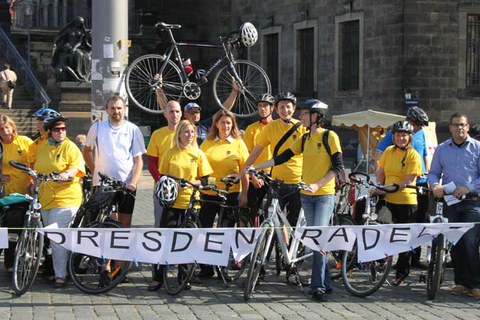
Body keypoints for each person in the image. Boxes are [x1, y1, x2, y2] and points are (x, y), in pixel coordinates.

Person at [248, 99, 343, 302]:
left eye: (304, 114)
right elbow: (282, 157)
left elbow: (337, 167)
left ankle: (317, 287)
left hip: (324, 195)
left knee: (317, 239)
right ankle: (325, 282)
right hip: (306, 197)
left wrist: (318, 184)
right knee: (316, 240)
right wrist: (257, 167)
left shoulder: (330, 136)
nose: (300, 117)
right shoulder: (305, 138)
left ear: (316, 116)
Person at [147, 120, 213, 291]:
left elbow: (205, 180)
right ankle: (158, 277)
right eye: (186, 132)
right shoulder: (170, 153)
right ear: (179, 134)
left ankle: (184, 277)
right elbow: (162, 175)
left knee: (186, 241)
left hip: (191, 202)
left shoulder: (198, 154)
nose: (189, 135)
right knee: (165, 239)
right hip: (171, 202)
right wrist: (172, 185)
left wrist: (192, 182)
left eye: (192, 132)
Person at [428, 113, 480, 297]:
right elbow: (433, 172)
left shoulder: (477, 148)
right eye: (456, 125)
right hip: (450, 201)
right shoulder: (442, 149)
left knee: (469, 243)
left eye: (462, 125)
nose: (459, 128)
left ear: (468, 126)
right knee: (455, 243)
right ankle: (461, 282)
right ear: (450, 127)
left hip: (473, 202)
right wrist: (435, 185)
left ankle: (475, 284)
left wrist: (469, 187)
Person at [375, 106, 431, 269]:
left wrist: (428, 175)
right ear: (410, 122)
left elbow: (425, 156)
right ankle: (390, 258)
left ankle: (414, 258)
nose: (419, 128)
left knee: (418, 223)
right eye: (417, 125)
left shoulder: (419, 133)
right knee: (394, 223)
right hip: (397, 186)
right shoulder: (397, 133)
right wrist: (382, 177)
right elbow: (379, 152)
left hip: (418, 184)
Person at [196, 109, 249, 279]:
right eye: (222, 122)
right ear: (216, 124)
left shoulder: (239, 143)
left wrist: (244, 194)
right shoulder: (207, 142)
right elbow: (199, 165)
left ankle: (222, 268)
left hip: (231, 193)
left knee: (225, 232)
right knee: (205, 230)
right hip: (209, 193)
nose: (225, 126)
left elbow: (245, 170)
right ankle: (206, 267)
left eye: (229, 123)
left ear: (233, 124)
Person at [34, 113, 86, 287]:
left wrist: (66, 174)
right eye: (57, 129)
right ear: (49, 132)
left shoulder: (70, 147)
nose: (61, 132)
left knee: (57, 238)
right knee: (51, 237)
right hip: (46, 199)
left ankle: (60, 275)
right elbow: (38, 168)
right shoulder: (43, 148)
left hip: (66, 199)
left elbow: (77, 167)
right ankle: (57, 269)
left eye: (63, 128)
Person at [242, 92, 306, 228]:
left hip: (298, 182)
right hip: (277, 182)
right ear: (276, 110)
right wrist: (246, 168)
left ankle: (293, 248)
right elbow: (257, 150)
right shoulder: (271, 127)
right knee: (271, 218)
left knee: (295, 222)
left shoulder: (301, 127)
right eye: (281, 107)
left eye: (288, 107)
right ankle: (274, 246)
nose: (285, 110)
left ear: (294, 109)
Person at [83, 95, 146, 228]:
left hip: (126, 183)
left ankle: (123, 248)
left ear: (124, 110)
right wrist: (95, 171)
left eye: (119, 108)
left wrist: (133, 183)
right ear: (107, 110)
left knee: (125, 222)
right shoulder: (97, 127)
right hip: (103, 184)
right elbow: (87, 150)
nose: (115, 111)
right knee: (106, 220)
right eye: (112, 108)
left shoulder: (133, 129)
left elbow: (138, 161)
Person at [376, 121, 422, 286]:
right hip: (388, 198)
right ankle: (382, 259)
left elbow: (409, 179)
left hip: (406, 200)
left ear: (409, 137)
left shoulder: (413, 155)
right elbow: (381, 172)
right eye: (397, 135)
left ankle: (401, 273)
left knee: (404, 237)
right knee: (382, 224)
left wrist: (394, 188)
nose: (401, 138)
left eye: (404, 135)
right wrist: (379, 186)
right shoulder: (388, 151)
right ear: (393, 137)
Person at [0, 115, 33, 272]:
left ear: (13, 127)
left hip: (23, 192)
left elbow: (34, 161)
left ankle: (20, 258)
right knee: (6, 228)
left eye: (7, 127)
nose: (5, 131)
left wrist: (33, 182)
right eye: (1, 129)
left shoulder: (24, 141)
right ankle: (9, 261)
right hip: (6, 193)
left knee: (20, 226)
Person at [147, 100, 182, 227]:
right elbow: (151, 162)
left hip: (184, 187)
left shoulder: (188, 132)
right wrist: (160, 180)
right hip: (163, 187)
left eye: (177, 111)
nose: (174, 114)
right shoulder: (157, 134)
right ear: (165, 114)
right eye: (171, 111)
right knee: (161, 224)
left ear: (181, 114)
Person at [242, 93, 275, 225]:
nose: (262, 109)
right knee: (251, 210)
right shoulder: (251, 129)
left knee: (273, 211)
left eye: (265, 106)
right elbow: (246, 155)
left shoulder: (278, 127)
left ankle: (280, 242)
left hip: (274, 174)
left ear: (272, 108)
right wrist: (252, 176)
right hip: (256, 174)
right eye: (260, 106)